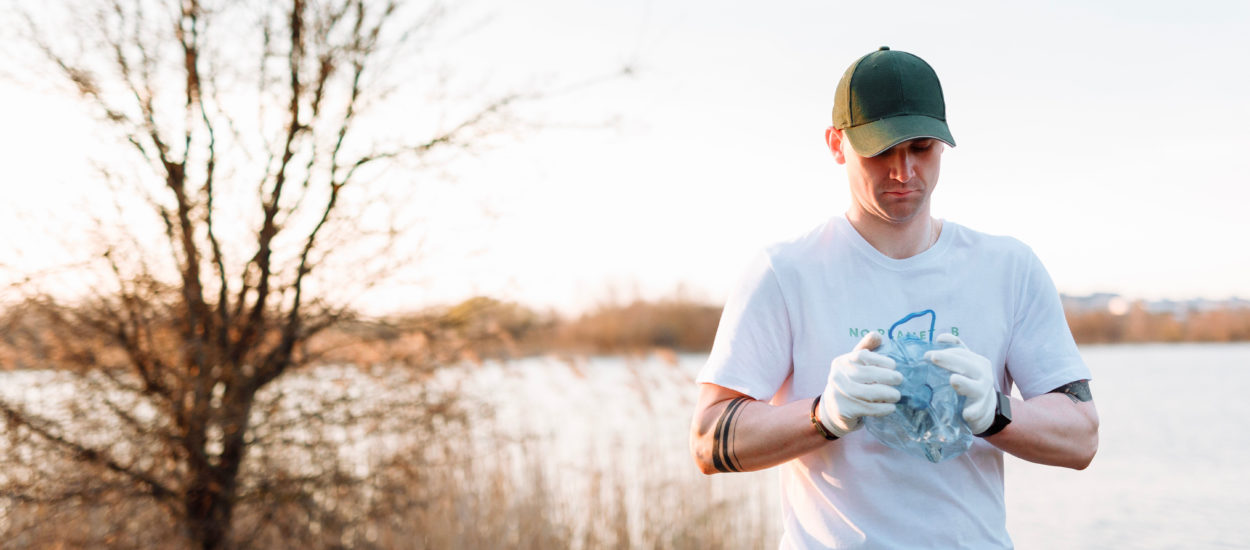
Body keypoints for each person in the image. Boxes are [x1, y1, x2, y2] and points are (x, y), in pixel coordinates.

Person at [688, 46, 1099, 549]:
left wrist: (996, 412)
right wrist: (823, 415)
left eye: (921, 148)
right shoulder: (786, 271)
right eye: (880, 151)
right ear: (836, 144)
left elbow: (1082, 437)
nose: (903, 172)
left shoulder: (1008, 268)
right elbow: (709, 440)